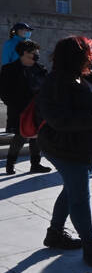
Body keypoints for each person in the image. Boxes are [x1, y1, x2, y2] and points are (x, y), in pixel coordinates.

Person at [36, 36, 92, 268]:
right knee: (80, 198)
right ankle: (90, 247)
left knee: (71, 190)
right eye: (88, 53)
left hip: (84, 145)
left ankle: (54, 234)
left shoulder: (83, 78)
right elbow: (59, 120)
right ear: (75, 56)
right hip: (65, 148)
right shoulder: (56, 82)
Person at [0, 40, 51, 174]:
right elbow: (4, 92)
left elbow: (47, 88)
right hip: (20, 110)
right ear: (24, 53)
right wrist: (16, 105)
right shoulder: (9, 69)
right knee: (20, 137)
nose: (37, 54)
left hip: (38, 109)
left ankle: (36, 164)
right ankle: (10, 164)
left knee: (37, 136)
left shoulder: (40, 69)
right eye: (34, 52)